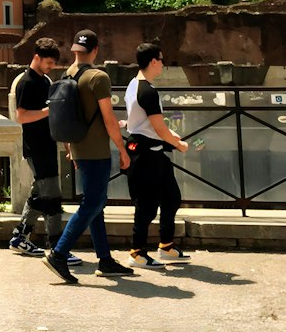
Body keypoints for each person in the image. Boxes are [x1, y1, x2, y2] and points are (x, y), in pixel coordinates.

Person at [43, 30, 132, 283]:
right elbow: (109, 119)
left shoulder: (67, 75)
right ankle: (59, 254)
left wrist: (69, 147)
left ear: (74, 51)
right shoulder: (98, 77)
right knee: (92, 204)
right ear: (95, 51)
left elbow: (67, 113)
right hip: (96, 151)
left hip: (78, 148)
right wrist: (123, 150)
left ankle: (104, 259)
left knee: (96, 204)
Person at [8, 37, 80, 266]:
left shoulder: (44, 79)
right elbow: (21, 115)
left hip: (46, 144)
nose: (50, 67)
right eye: (48, 62)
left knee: (40, 193)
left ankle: (20, 236)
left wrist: (66, 142)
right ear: (37, 57)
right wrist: (49, 111)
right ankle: (59, 247)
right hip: (36, 146)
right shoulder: (26, 82)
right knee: (52, 196)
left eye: (52, 64)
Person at [123, 43, 190, 268]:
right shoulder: (147, 91)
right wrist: (178, 144)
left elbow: (148, 124)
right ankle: (137, 252)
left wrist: (173, 138)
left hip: (153, 151)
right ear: (153, 61)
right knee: (147, 205)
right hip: (145, 154)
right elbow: (159, 128)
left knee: (171, 198)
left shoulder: (134, 84)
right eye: (161, 59)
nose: (163, 63)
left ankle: (166, 246)